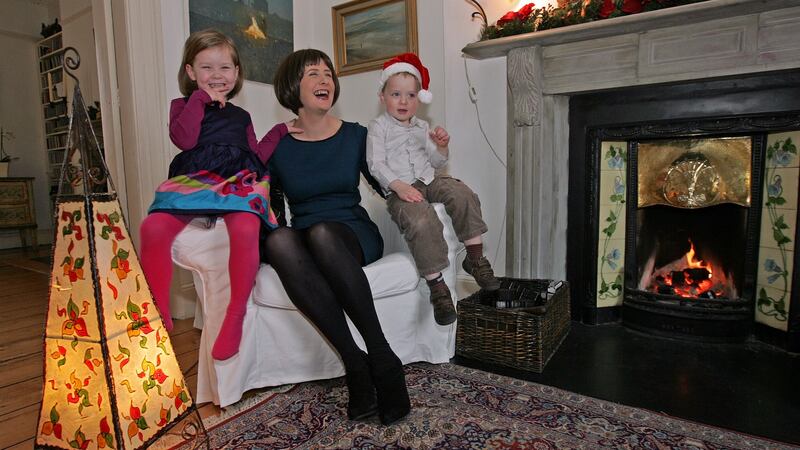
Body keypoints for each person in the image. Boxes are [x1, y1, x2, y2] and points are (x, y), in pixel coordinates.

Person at [264, 49, 410, 425]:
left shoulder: (356, 136)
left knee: (323, 233)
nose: (325, 79)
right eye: (313, 73)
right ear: (292, 87)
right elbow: (272, 207)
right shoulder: (277, 146)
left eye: (328, 73)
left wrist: (428, 185)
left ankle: (381, 357)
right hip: (307, 236)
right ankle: (355, 365)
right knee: (279, 240)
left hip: (351, 233)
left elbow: (386, 184)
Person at [139, 29, 298, 361]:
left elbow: (255, 153)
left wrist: (280, 130)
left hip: (238, 178)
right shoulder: (182, 105)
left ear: (237, 73)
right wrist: (200, 100)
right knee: (152, 228)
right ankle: (158, 312)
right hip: (196, 177)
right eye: (206, 68)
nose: (216, 75)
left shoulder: (241, 116)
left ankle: (235, 315)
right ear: (190, 72)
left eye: (224, 67)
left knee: (245, 227)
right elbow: (183, 139)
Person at [366, 53, 500, 326]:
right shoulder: (378, 128)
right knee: (421, 219)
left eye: (411, 95)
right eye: (396, 94)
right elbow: (375, 164)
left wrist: (440, 146)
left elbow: (438, 163)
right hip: (400, 188)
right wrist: (398, 186)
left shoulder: (422, 127)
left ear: (419, 98)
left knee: (462, 193)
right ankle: (437, 286)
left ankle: (475, 259)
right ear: (383, 97)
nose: (404, 101)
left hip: (429, 179)